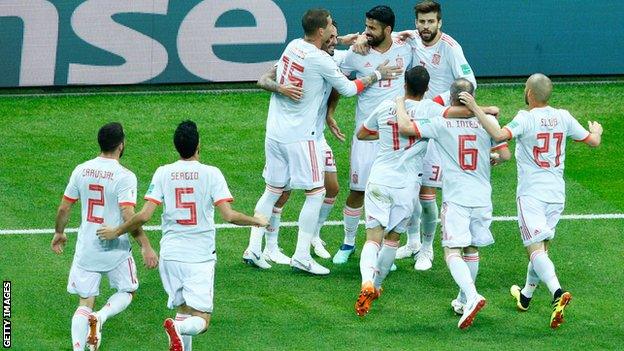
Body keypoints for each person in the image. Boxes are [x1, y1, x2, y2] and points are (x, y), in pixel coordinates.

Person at [242, 8, 402, 275]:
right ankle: (302, 255)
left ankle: (253, 248)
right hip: (301, 136)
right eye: (330, 27)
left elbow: (269, 75)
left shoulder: (293, 46)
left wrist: (343, 40)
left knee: (272, 190)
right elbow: (349, 89)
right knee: (316, 193)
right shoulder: (320, 60)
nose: (332, 31)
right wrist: (377, 74)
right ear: (320, 31)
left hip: (275, 132)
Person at [96, 121, 268, 351]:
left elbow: (144, 215)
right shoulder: (211, 174)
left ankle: (178, 329)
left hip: (171, 255)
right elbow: (229, 215)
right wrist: (257, 221)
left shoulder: (163, 172)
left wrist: (116, 231)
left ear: (176, 147)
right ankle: (179, 329)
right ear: (198, 144)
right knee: (201, 319)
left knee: (182, 311)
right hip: (199, 258)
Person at [462, 73, 603, 329]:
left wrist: (474, 108)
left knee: (535, 249)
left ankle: (557, 292)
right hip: (557, 194)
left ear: (529, 92)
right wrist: (596, 130)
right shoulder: (564, 116)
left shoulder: (525, 119)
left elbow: (498, 133)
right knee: (543, 248)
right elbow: (593, 141)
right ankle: (525, 295)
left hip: (531, 195)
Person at [354, 1, 479, 270]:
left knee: (426, 193)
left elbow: (470, 84)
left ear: (439, 22)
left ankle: (426, 248)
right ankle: (411, 242)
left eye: (430, 22)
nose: (425, 27)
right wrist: (360, 41)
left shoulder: (450, 48)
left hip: (435, 125)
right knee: (409, 188)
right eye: (421, 22)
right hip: (411, 117)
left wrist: (438, 101)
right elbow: (374, 35)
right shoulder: (410, 38)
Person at [397, 78, 511, 329]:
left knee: (451, 250)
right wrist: (490, 157)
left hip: (457, 197)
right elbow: (505, 155)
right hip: (482, 196)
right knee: (471, 249)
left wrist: (398, 103)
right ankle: (462, 299)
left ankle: (472, 296)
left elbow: (405, 128)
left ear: (450, 99)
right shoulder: (488, 122)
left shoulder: (441, 123)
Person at [51, 122, 158, 351]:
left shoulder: (81, 170)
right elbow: (129, 215)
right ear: (121, 145)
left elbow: (64, 209)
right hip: (116, 249)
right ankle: (101, 317)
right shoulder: (125, 176)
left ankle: (78, 348)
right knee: (127, 291)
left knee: (84, 302)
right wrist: (145, 245)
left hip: (87, 248)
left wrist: (59, 232)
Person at [255, 22, 355, 263]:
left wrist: (330, 114)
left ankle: (314, 235)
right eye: (331, 36)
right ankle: (274, 246)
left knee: (331, 187)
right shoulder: (308, 57)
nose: (334, 40)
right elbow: (263, 79)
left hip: (313, 134)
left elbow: (335, 90)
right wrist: (281, 88)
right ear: (321, 35)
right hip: (299, 136)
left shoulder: (328, 55)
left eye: (337, 37)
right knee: (292, 191)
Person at [354, 66, 447, 316]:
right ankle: (378, 285)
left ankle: (366, 282)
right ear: (427, 88)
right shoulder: (432, 111)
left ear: (404, 83)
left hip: (379, 180)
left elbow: (362, 133)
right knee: (392, 239)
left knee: (373, 239)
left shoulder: (386, 106)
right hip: (406, 187)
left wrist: (384, 137)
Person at [332, 5, 413, 265]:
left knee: (396, 194)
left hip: (396, 138)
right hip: (365, 135)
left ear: (388, 30)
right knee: (357, 190)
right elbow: (337, 82)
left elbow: (422, 37)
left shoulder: (405, 47)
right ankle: (347, 242)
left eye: (372, 28)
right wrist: (329, 113)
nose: (367, 32)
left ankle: (385, 250)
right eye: (366, 26)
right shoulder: (355, 55)